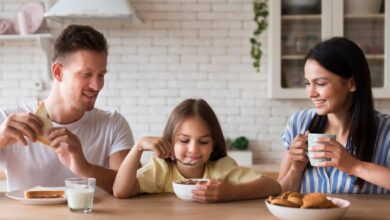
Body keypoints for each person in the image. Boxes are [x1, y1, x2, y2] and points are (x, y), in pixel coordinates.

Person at [0, 24, 134, 193]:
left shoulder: (113, 124)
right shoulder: (8, 120)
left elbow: (129, 188)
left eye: (101, 75)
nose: (97, 85)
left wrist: (84, 168)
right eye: (86, 74)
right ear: (58, 72)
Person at [278, 37, 390, 194]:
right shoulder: (299, 123)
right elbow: (280, 195)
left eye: (321, 84)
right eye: (307, 83)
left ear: (351, 83)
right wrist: (296, 169)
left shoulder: (386, 131)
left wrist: (354, 166)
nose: (310, 93)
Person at [113, 98, 281, 202]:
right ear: (170, 141)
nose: (193, 149)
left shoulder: (221, 168)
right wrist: (138, 146)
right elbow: (120, 191)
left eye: (203, 141)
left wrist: (231, 192)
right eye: (184, 140)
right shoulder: (161, 169)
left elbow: (273, 186)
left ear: (213, 144)